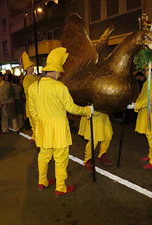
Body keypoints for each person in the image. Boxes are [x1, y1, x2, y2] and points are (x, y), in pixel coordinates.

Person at [28, 47, 93, 196]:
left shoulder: (33, 87)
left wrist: (40, 126)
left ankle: (42, 181)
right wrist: (88, 110)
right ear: (56, 71)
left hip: (43, 129)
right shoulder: (59, 87)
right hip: (58, 129)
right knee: (60, 159)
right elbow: (72, 108)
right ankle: (60, 187)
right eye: (60, 73)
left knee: (43, 156)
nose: (60, 76)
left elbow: (33, 112)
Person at [22, 52, 38, 143]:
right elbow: (29, 90)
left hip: (38, 102)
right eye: (31, 66)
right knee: (33, 121)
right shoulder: (26, 79)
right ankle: (35, 136)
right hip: (31, 103)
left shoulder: (36, 76)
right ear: (27, 68)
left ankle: (36, 136)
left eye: (33, 66)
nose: (32, 67)